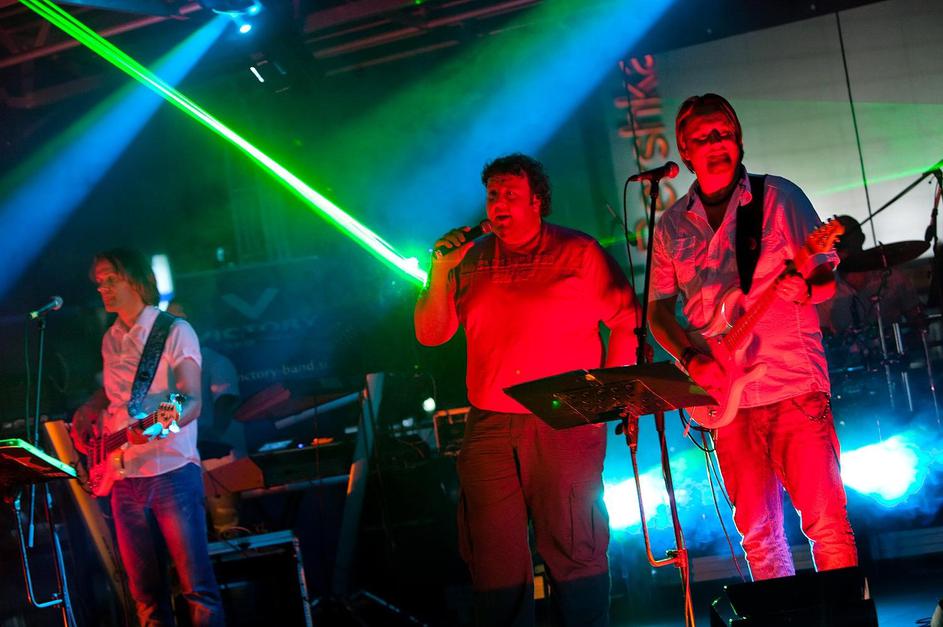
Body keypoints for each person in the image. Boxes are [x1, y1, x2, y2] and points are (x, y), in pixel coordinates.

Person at [414, 154, 640, 626]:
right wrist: (439, 271)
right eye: (493, 195)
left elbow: (626, 320)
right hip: (490, 421)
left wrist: (609, 398)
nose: (499, 203)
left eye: (510, 195)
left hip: (565, 412)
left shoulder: (577, 251)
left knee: (574, 545)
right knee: (492, 555)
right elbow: (431, 334)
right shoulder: (470, 259)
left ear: (538, 201)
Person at [648, 94, 858, 580]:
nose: (716, 143)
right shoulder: (672, 226)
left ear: (739, 140)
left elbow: (826, 279)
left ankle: (844, 612)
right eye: (703, 137)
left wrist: (806, 289)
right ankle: (781, 614)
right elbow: (658, 311)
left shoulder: (779, 198)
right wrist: (689, 357)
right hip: (725, 400)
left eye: (724, 133)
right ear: (685, 150)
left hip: (793, 385)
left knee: (826, 524)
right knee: (759, 536)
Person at [71, 248, 224, 626]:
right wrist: (90, 408)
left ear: (136, 280)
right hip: (124, 477)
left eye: (111, 279)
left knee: (196, 589)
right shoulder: (110, 339)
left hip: (171, 471)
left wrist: (153, 429)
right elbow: (120, 395)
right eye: (99, 283)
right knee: (145, 598)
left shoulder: (175, 331)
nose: (103, 289)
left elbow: (191, 401)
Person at [167, 299, 243, 459]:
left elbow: (225, 402)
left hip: (218, 453)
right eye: (168, 320)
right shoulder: (167, 364)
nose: (171, 327)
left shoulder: (215, 361)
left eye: (177, 321)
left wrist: (212, 437)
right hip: (184, 452)